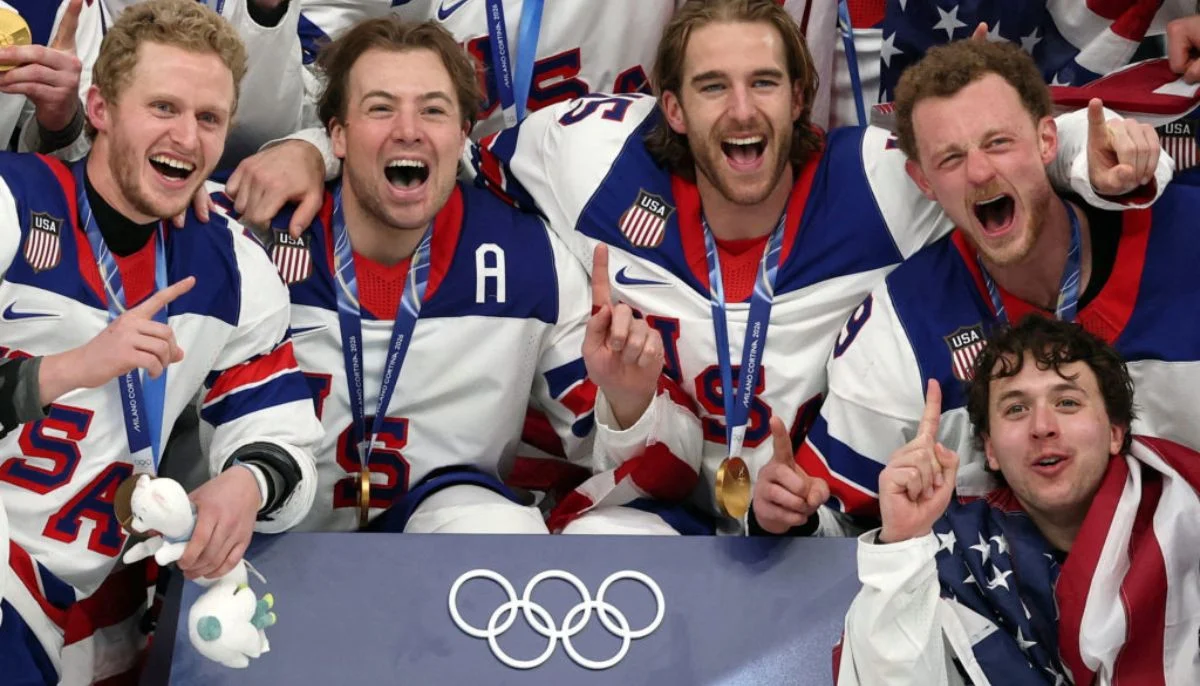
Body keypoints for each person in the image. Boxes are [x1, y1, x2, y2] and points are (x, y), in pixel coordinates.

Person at [224, 0, 1166, 536]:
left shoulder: (882, 179)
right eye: (712, 86)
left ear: (801, 99)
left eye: (764, 84)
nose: (741, 110)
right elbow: (433, 146)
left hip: (814, 511)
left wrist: (1100, 163)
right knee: (589, 557)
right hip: (657, 499)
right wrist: (309, 145)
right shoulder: (589, 151)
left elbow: (995, 155)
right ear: (669, 107)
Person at [231, 16, 681, 533]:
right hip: (255, 543)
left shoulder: (530, 257)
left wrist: (628, 401)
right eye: (380, 108)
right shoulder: (251, 235)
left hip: (441, 550)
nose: (408, 130)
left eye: (433, 110)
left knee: (498, 530)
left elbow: (614, 457)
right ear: (336, 134)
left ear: (464, 135)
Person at [0, 2, 322, 684]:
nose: (186, 137)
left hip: (46, 601)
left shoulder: (232, 267)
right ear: (99, 109)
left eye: (209, 118)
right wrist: (65, 370)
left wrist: (246, 484)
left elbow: (285, 440)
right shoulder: (12, 202)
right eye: (163, 108)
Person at [779, 39, 1200, 537]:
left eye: (999, 143)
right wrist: (794, 518)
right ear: (923, 181)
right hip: (1003, 588)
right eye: (951, 158)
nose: (980, 172)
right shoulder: (901, 327)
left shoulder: (1186, 243)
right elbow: (832, 526)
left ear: (1048, 141)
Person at [836, 316, 1200, 686]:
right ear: (991, 450)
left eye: (1067, 402)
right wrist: (902, 548)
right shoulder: (948, 552)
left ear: (1115, 433)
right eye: (1016, 409)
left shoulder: (1187, 517)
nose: (1042, 426)